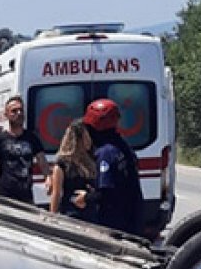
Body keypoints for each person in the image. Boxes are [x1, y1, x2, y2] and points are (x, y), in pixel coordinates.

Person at [85, 99, 144, 235]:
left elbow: (106, 193)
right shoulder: (123, 147)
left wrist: (86, 198)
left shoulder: (106, 152)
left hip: (114, 225)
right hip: (132, 219)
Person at [0, 95, 47, 203]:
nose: (19, 113)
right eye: (14, 111)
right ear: (6, 115)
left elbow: (42, 161)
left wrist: (49, 178)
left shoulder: (32, 138)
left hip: (26, 195)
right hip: (6, 195)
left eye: (21, 110)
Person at [48, 121, 97, 222]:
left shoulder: (92, 159)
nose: (89, 141)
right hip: (71, 214)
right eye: (86, 137)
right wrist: (52, 217)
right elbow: (56, 193)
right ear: (77, 140)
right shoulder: (62, 164)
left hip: (91, 214)